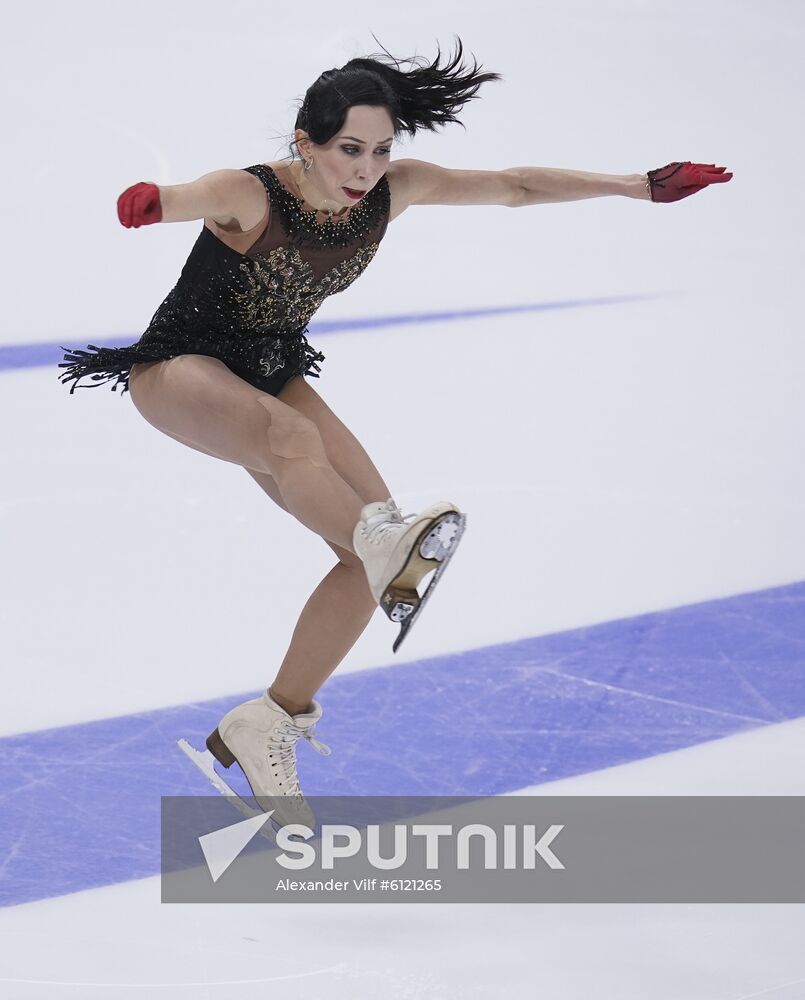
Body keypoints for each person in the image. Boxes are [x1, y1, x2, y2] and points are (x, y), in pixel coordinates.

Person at [57, 36, 732, 825]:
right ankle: (382, 539)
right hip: (180, 370)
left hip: (269, 367)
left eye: (379, 150)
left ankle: (268, 720)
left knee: (369, 559)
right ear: (303, 143)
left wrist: (637, 187)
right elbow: (195, 193)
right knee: (303, 453)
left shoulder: (391, 192)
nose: (364, 169)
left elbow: (513, 186)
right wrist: (153, 201)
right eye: (347, 149)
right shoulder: (253, 193)